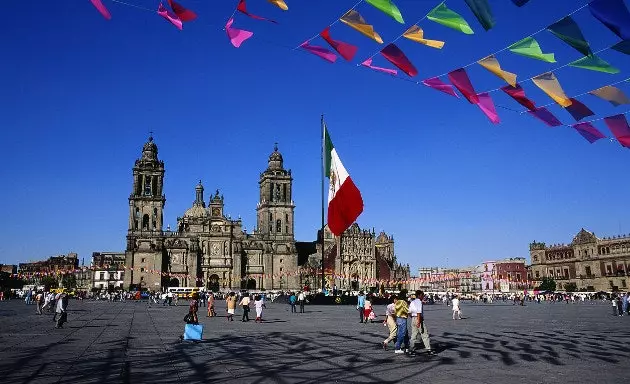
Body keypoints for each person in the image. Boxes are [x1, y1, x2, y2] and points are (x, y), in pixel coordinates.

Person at [393, 290, 409, 354]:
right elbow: (407, 310)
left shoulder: (397, 302)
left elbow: (395, 310)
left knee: (402, 333)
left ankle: (407, 346)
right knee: (402, 334)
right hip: (403, 318)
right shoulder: (403, 302)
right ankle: (397, 348)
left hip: (398, 318)